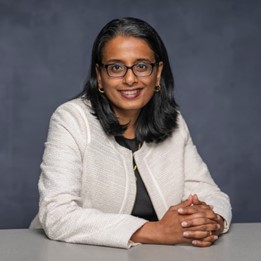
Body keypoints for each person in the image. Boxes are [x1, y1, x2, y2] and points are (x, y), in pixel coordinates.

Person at [30, 17, 232, 249]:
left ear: (158, 73)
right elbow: (57, 215)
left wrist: (209, 221)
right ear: (100, 76)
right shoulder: (71, 119)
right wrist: (156, 231)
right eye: (116, 67)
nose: (130, 78)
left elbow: (210, 193)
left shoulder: (174, 121)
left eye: (142, 66)